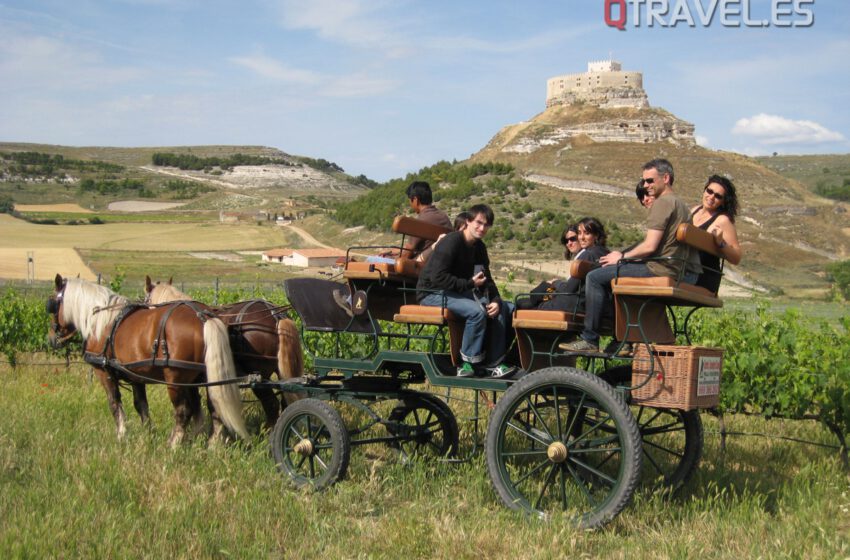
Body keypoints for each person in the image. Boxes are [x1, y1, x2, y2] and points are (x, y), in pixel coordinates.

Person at [560, 159, 701, 353]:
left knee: (594, 277)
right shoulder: (681, 205)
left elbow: (650, 246)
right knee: (612, 274)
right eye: (644, 181)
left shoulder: (663, 204)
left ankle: (590, 339)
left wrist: (622, 256)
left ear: (666, 178)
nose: (646, 186)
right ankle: (622, 338)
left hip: (661, 268)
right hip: (674, 267)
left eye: (650, 181)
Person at [417, 204, 516, 378]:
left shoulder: (479, 248)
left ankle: (494, 363)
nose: (482, 228)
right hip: (431, 292)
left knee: (507, 308)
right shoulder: (451, 242)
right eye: (478, 223)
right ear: (468, 221)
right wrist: (469, 284)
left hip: (455, 291)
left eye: (486, 225)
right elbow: (437, 278)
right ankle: (467, 364)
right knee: (476, 312)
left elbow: (487, 279)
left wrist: (496, 300)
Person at [534, 217, 610, 312]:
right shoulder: (606, 254)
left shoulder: (588, 255)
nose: (581, 237)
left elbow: (568, 290)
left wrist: (555, 283)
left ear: (596, 235)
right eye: (579, 233)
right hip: (595, 306)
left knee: (524, 303)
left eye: (587, 233)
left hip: (578, 305)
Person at [689, 175, 742, 292]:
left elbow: (736, 258)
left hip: (703, 276)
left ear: (723, 202)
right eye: (710, 191)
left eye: (718, 196)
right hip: (685, 268)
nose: (711, 197)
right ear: (704, 190)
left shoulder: (722, 220)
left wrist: (720, 243)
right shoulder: (694, 210)